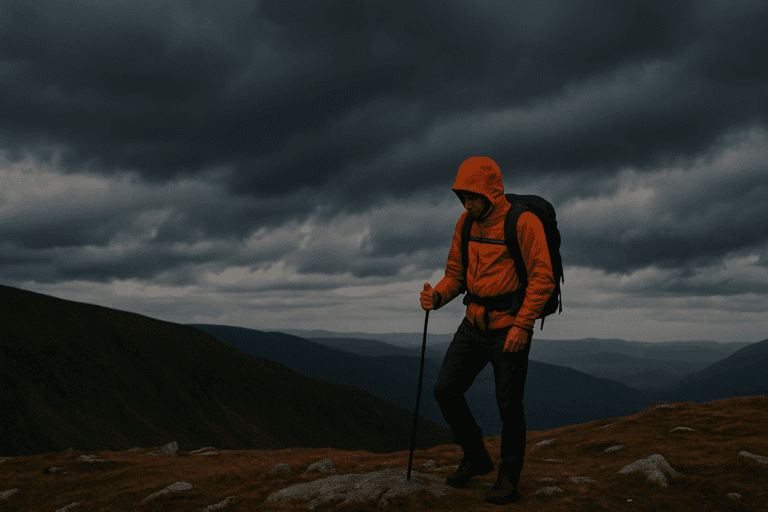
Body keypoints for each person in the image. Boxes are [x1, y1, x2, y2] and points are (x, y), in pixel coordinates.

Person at [419, 156, 555, 505]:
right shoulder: (466, 223)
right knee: (445, 389)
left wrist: (523, 326)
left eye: (472, 196)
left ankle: (508, 479)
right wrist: (437, 296)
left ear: (490, 192)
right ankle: (476, 457)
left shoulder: (522, 222)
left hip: (510, 325)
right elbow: (456, 274)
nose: (467, 203)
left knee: (509, 406)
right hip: (473, 323)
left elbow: (543, 278)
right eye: (462, 197)